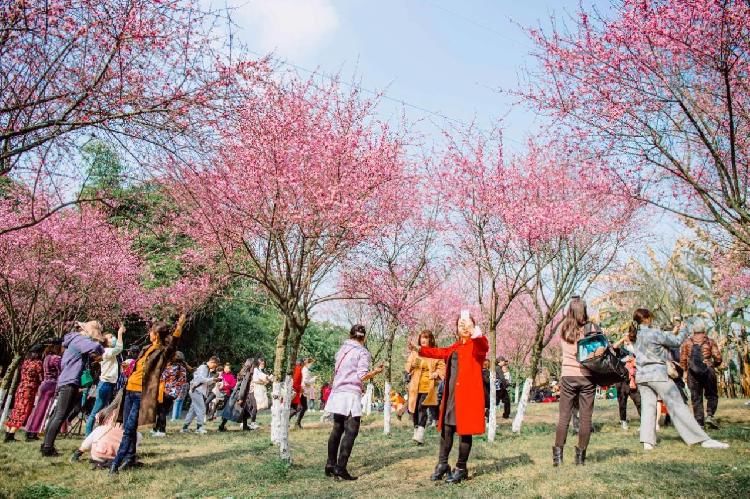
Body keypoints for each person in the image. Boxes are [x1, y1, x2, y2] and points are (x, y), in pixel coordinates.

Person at [632, 309, 728, 450]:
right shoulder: (654, 332)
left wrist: (672, 332)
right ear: (646, 318)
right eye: (651, 317)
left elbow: (661, 341)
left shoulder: (635, 335)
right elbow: (676, 342)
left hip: (641, 376)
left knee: (648, 408)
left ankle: (647, 442)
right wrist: (683, 330)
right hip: (657, 374)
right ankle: (700, 438)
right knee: (677, 405)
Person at [413, 311, 488, 485]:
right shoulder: (455, 346)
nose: (463, 327)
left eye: (467, 324)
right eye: (460, 324)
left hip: (468, 398)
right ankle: (443, 464)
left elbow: (484, 345)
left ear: (473, 327)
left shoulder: (476, 345)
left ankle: (461, 468)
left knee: (465, 432)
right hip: (452, 397)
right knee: (447, 429)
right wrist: (420, 349)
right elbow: (439, 352)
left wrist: (474, 330)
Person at [109, 314, 186, 473]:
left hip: (142, 395)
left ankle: (115, 464)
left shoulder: (163, 351)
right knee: (127, 427)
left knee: (130, 428)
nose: (149, 333)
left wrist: (179, 327)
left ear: (156, 334)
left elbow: (174, 344)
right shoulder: (145, 348)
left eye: (151, 331)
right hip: (129, 391)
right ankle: (130, 458)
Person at [325, 324, 384, 481]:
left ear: (350, 335)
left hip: (338, 392)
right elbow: (362, 375)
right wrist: (376, 372)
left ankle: (330, 464)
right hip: (351, 393)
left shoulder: (341, 350)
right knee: (351, 430)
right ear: (363, 337)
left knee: (337, 428)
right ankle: (341, 468)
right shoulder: (362, 352)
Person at [41, 321, 105, 456]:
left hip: (66, 380)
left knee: (57, 414)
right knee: (60, 415)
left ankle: (46, 444)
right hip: (70, 381)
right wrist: (101, 346)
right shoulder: (79, 340)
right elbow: (97, 348)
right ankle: (47, 448)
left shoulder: (73, 341)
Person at [553, 297, 597, 467]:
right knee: (586, 418)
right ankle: (580, 458)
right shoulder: (590, 328)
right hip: (587, 376)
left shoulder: (564, 328)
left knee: (564, 416)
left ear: (569, 310)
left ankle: (558, 457)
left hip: (568, 376)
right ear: (584, 310)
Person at [680, 318, 722, 429]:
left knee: (696, 397)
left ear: (693, 331)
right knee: (712, 395)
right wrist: (713, 365)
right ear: (704, 331)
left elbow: (683, 359)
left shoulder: (687, 342)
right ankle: (710, 415)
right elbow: (718, 358)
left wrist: (685, 371)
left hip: (692, 373)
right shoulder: (710, 341)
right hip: (708, 370)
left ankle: (699, 423)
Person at [405, 330, 445, 445]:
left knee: (422, 407)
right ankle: (416, 430)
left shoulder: (435, 352)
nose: (423, 340)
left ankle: (421, 433)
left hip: (429, 385)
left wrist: (437, 373)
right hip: (415, 385)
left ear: (430, 339)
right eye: (421, 338)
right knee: (414, 409)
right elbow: (408, 365)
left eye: (426, 338)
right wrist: (410, 366)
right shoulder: (415, 352)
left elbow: (442, 367)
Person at [85, 324, 125, 436]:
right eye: (111, 337)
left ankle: (98, 432)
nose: (114, 339)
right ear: (105, 342)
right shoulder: (106, 351)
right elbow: (119, 348)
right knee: (95, 411)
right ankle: (88, 435)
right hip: (105, 385)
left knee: (103, 411)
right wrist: (120, 333)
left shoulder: (108, 352)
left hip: (109, 385)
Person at [3, 346, 44, 442]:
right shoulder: (37, 363)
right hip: (29, 390)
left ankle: (8, 433)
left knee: (15, 411)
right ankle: (11, 434)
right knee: (23, 412)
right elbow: (41, 377)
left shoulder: (25, 362)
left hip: (20, 388)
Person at [24, 343, 63, 440]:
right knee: (44, 411)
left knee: (37, 409)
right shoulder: (56, 358)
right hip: (52, 386)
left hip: (44, 384)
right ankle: (34, 432)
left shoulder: (47, 357)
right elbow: (61, 371)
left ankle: (29, 430)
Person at [181, 355, 220, 434]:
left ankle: (184, 427)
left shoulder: (206, 369)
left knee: (193, 411)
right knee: (201, 408)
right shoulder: (203, 367)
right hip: (196, 390)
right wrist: (213, 379)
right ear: (212, 362)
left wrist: (213, 380)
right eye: (215, 365)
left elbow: (204, 381)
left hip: (198, 390)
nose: (214, 367)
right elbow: (200, 379)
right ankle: (199, 428)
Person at [612, 326, 641, 430]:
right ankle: (623, 421)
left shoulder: (635, 347)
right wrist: (622, 339)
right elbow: (614, 347)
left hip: (633, 378)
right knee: (622, 400)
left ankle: (644, 422)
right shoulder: (621, 348)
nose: (628, 337)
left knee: (638, 400)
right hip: (621, 378)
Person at [153, 351, 188, 436]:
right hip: (174, 394)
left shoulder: (169, 368)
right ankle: (156, 429)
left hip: (166, 391)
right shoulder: (183, 369)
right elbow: (183, 381)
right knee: (164, 410)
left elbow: (162, 378)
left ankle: (162, 430)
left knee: (161, 411)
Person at [219, 358, 258, 432]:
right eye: (254, 365)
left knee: (245, 410)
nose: (255, 367)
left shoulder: (243, 371)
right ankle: (221, 425)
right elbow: (243, 385)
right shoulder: (247, 374)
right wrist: (240, 398)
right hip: (239, 394)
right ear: (251, 365)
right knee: (230, 410)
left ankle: (245, 426)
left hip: (237, 393)